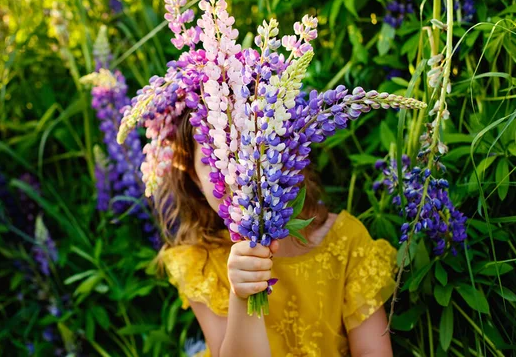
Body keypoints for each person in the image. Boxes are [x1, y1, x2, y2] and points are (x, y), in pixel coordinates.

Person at [155, 110, 397, 357]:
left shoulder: (345, 240)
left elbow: (372, 351)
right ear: (195, 178)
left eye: (250, 149)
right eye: (214, 159)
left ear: (286, 149)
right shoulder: (202, 262)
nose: (236, 174)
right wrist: (241, 296)